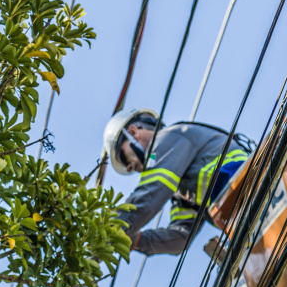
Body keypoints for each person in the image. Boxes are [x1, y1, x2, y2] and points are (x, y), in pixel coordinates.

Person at [105, 108, 253, 255]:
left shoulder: (168, 137)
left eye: (124, 158)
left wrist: (110, 230)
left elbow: (152, 191)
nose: (129, 168)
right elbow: (181, 237)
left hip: (250, 184)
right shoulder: (183, 189)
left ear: (133, 132)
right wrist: (137, 240)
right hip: (243, 214)